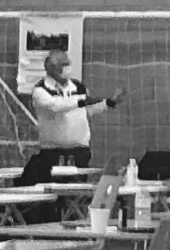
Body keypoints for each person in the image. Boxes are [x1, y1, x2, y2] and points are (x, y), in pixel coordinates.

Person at [19, 52, 116, 184]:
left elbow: (87, 110)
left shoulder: (78, 87)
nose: (67, 69)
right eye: (63, 65)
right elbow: (56, 106)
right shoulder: (40, 90)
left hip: (79, 150)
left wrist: (108, 103)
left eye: (67, 64)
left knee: (77, 188)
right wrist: (80, 101)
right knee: (52, 187)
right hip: (53, 150)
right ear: (53, 69)